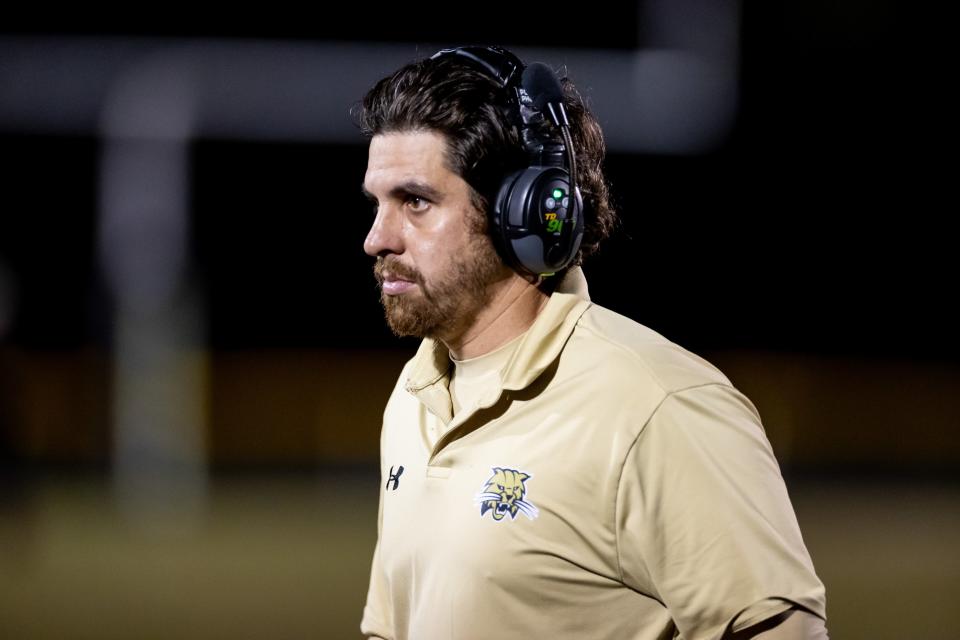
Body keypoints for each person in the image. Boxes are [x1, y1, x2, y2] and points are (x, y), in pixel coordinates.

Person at [356, 45, 827, 640]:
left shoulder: (657, 404)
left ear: (523, 212)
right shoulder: (414, 395)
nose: (377, 239)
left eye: (416, 202)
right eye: (377, 204)